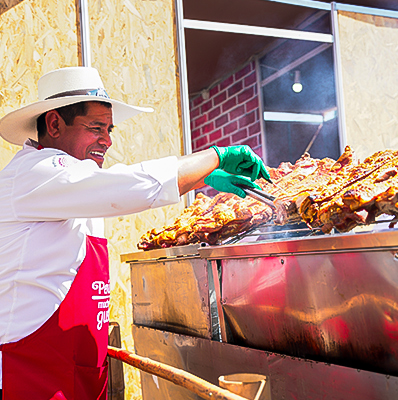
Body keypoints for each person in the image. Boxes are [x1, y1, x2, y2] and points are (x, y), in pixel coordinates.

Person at [0, 66, 270, 399]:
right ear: (54, 124)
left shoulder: (73, 184)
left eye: (109, 129)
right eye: (96, 127)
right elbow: (125, 187)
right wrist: (215, 157)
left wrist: (202, 179)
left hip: (76, 371)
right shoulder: (34, 172)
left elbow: (111, 189)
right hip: (30, 375)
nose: (108, 140)